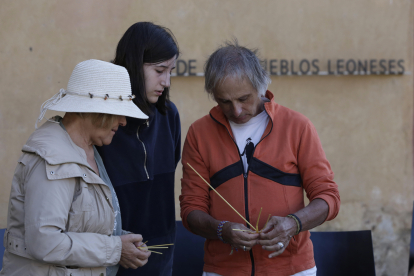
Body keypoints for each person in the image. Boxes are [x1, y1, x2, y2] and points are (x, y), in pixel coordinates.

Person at [179, 41, 341, 276]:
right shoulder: (199, 133)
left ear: (261, 86)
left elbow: (329, 197)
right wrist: (223, 230)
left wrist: (292, 224)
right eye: (224, 101)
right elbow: (191, 210)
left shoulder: (297, 127)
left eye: (244, 98)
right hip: (223, 269)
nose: (236, 110)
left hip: (292, 268)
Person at [0, 59, 152, 276]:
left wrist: (121, 240)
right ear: (91, 110)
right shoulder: (53, 157)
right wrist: (116, 249)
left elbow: (79, 225)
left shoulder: (87, 150)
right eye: (117, 111)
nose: (123, 121)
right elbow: (46, 243)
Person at [97, 22, 181, 276]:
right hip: (110, 255)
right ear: (134, 66)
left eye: (170, 71)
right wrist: (113, 246)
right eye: (159, 70)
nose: (166, 81)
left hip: (162, 254)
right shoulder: (101, 121)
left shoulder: (169, 116)